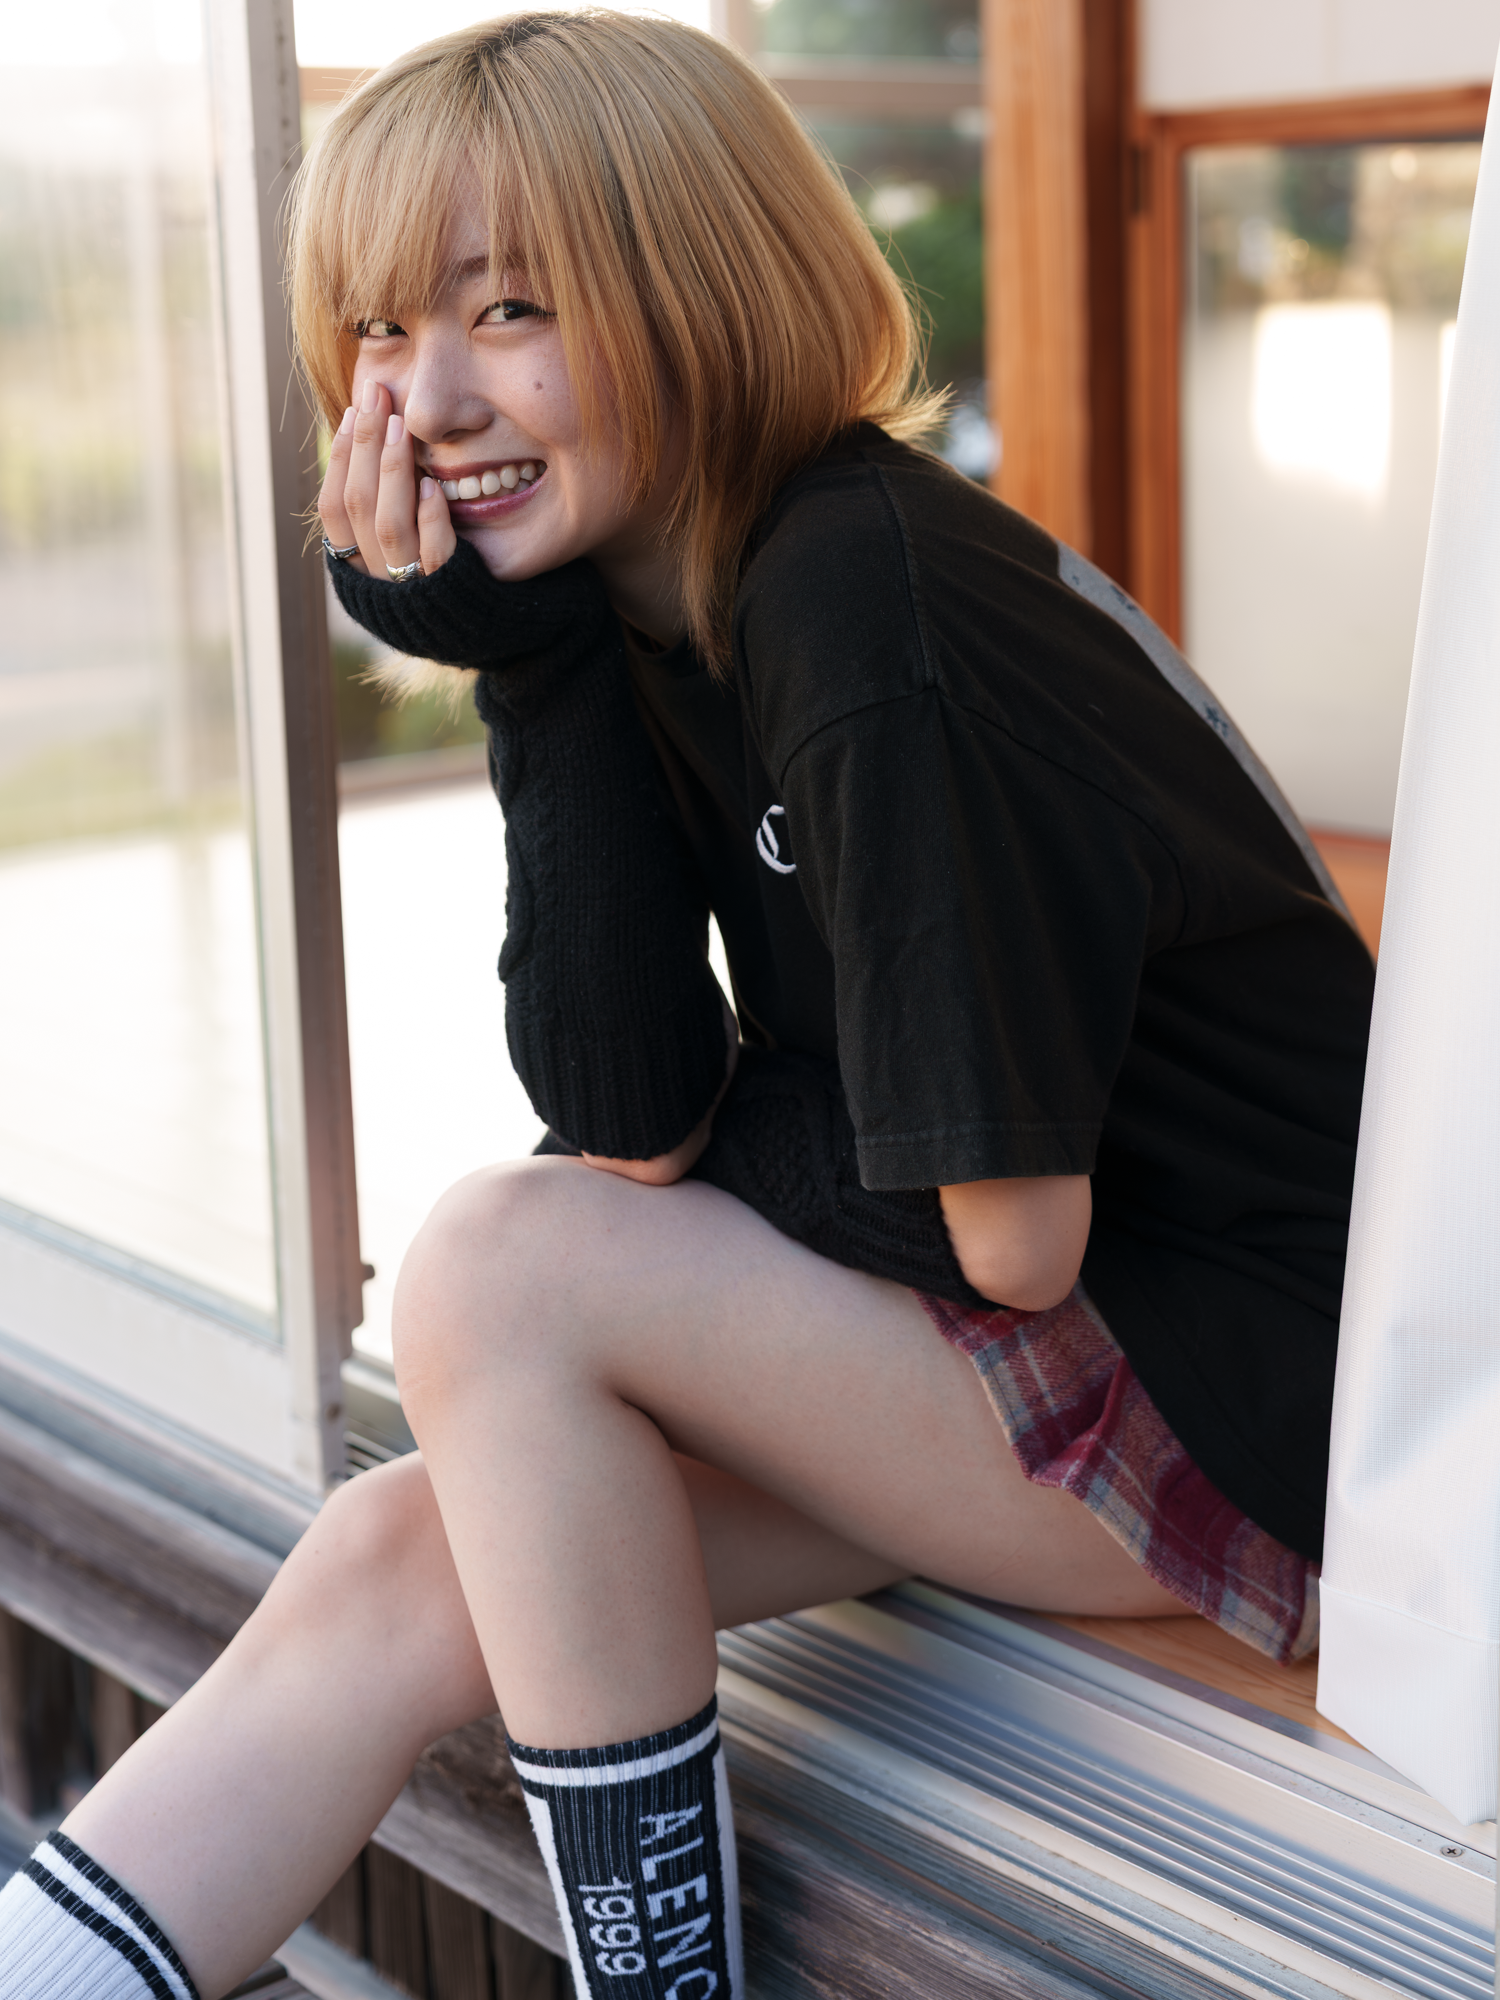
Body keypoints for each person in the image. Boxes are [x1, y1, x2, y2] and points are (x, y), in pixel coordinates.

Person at [0, 13, 1374, 2000]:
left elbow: (1005, 1236)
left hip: (1265, 1416)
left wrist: (690, 1172)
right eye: (382, 329)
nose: (429, 397)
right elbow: (633, 1116)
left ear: (703, 286)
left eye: (512, 309)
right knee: (401, 1549)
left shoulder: (855, 586)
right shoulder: (644, 604)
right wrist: (530, 671)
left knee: (499, 1264)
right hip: (1068, 1364)